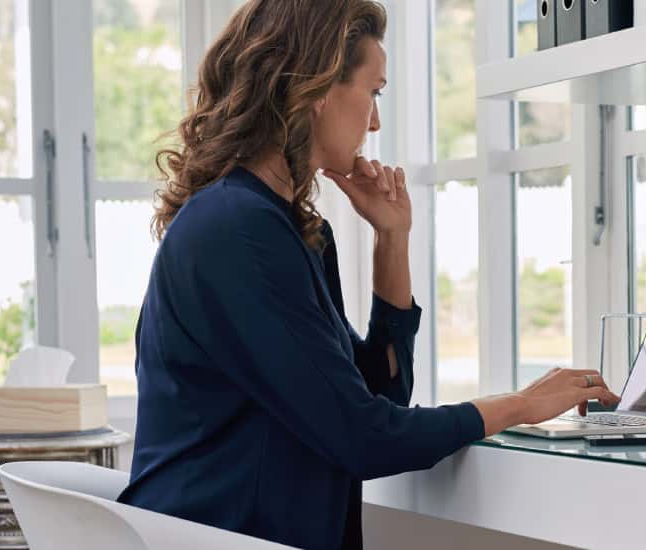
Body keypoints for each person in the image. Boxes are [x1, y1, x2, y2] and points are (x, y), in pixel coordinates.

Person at [117, 1, 620, 548]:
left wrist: (392, 239)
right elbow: (364, 437)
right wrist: (521, 405)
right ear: (312, 88)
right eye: (374, 92)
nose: (375, 121)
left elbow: (380, 396)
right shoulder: (239, 231)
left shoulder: (285, 230)